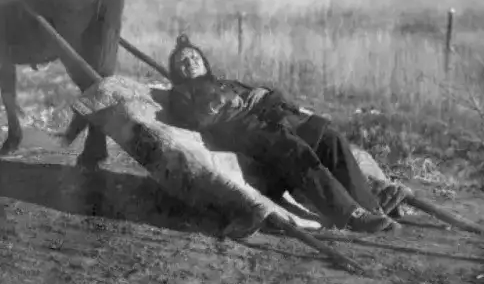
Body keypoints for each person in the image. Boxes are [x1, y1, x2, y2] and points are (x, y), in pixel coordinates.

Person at [165, 34, 412, 235]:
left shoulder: (227, 82)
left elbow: (275, 98)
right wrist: (218, 103)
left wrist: (263, 93)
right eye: (183, 61)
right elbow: (193, 120)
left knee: (330, 138)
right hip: (248, 132)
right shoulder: (181, 93)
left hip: (277, 120)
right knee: (296, 152)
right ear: (177, 71)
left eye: (194, 57)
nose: (191, 62)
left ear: (204, 61)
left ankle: (371, 208)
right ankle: (350, 215)